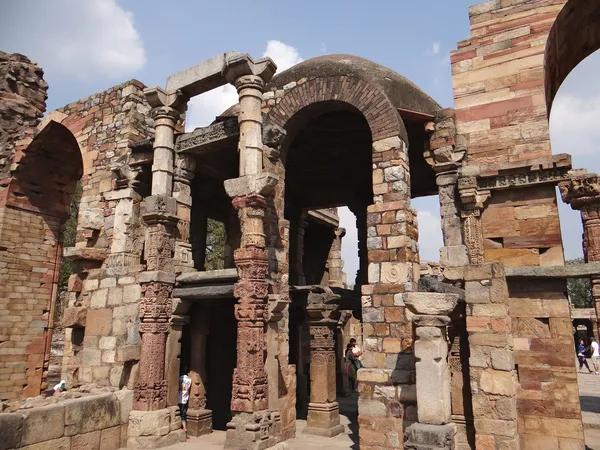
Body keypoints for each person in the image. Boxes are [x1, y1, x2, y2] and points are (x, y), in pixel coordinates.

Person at [178, 366, 192, 437]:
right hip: (185, 398)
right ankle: (185, 428)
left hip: (178, 398)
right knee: (183, 415)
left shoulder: (179, 378)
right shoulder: (189, 379)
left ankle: (181, 427)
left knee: (178, 413)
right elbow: (187, 388)